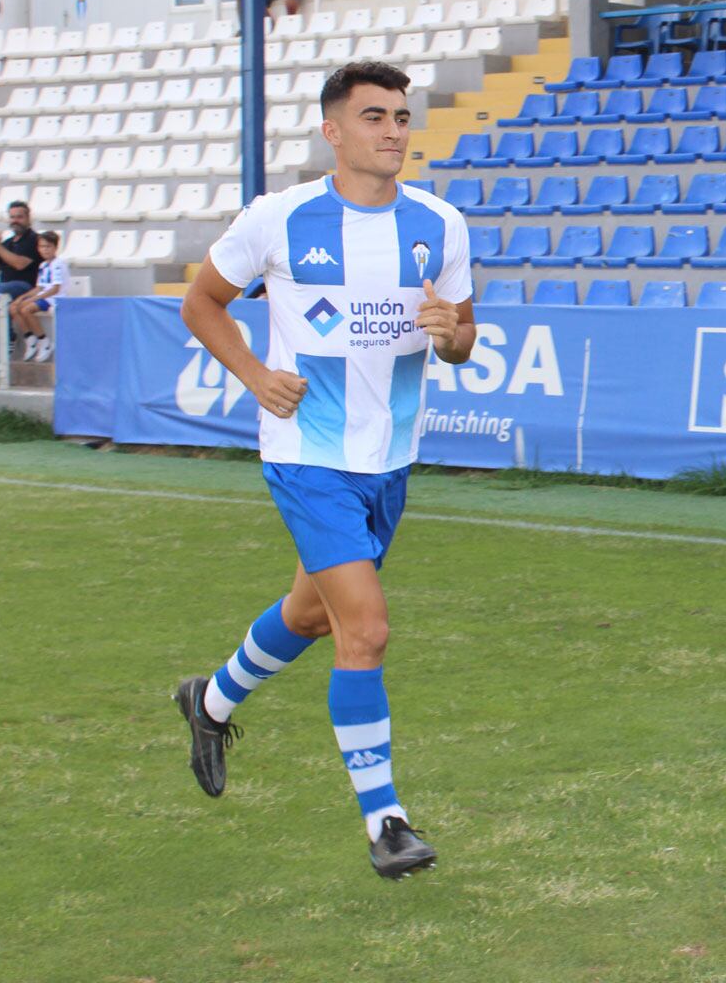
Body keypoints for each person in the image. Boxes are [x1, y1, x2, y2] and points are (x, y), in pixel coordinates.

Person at [174, 60, 475, 878]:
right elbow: (202, 302)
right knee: (364, 628)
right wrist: (255, 375)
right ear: (333, 131)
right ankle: (387, 822)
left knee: (311, 615)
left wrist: (451, 333)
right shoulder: (279, 218)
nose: (393, 131)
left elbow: (461, 338)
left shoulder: (441, 223)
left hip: (390, 460)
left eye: (402, 118)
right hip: (308, 455)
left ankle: (208, 701)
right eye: (374, 117)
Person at [8, 231, 65, 363]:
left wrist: (33, 299)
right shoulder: (43, 265)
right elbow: (39, 287)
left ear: (55, 248)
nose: (44, 250)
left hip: (55, 298)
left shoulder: (58, 264)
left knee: (26, 309)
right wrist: (22, 298)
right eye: (42, 246)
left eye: (48, 246)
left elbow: (55, 288)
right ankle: (30, 339)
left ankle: (44, 341)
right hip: (44, 296)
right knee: (14, 307)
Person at [0, 201, 42, 304]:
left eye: (19, 217)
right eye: (12, 217)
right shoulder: (7, 243)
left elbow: (19, 264)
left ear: (28, 219)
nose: (15, 221)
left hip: (26, 286)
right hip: (4, 285)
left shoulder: (35, 239)